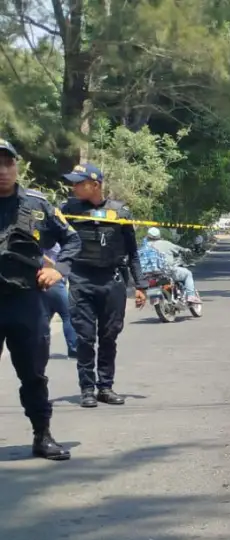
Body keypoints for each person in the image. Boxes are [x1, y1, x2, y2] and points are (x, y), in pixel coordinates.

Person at [0, 139, 82, 459]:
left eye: (7, 163)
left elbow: (71, 240)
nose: (2, 171)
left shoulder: (37, 204)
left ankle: (42, 435)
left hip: (27, 302)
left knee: (33, 374)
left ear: (17, 166)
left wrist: (59, 270)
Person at [60, 162, 147, 408]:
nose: (74, 186)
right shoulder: (68, 209)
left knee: (109, 336)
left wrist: (141, 285)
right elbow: (49, 238)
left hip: (113, 281)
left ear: (95, 184)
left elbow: (133, 252)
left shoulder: (121, 213)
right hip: (81, 280)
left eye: (79, 182)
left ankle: (105, 387)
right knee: (85, 338)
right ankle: (87, 389)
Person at [143, 227, 201, 304]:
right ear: (159, 235)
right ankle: (191, 296)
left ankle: (154, 298)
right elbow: (179, 249)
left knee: (151, 282)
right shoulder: (166, 243)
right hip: (167, 272)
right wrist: (186, 250)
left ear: (148, 236)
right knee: (188, 274)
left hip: (150, 274)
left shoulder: (144, 246)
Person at [42, 242, 79, 358]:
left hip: (47, 282)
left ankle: (40, 349)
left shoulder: (58, 241)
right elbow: (39, 253)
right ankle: (74, 348)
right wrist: (56, 266)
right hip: (55, 283)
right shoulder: (50, 241)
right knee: (68, 315)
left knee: (44, 317)